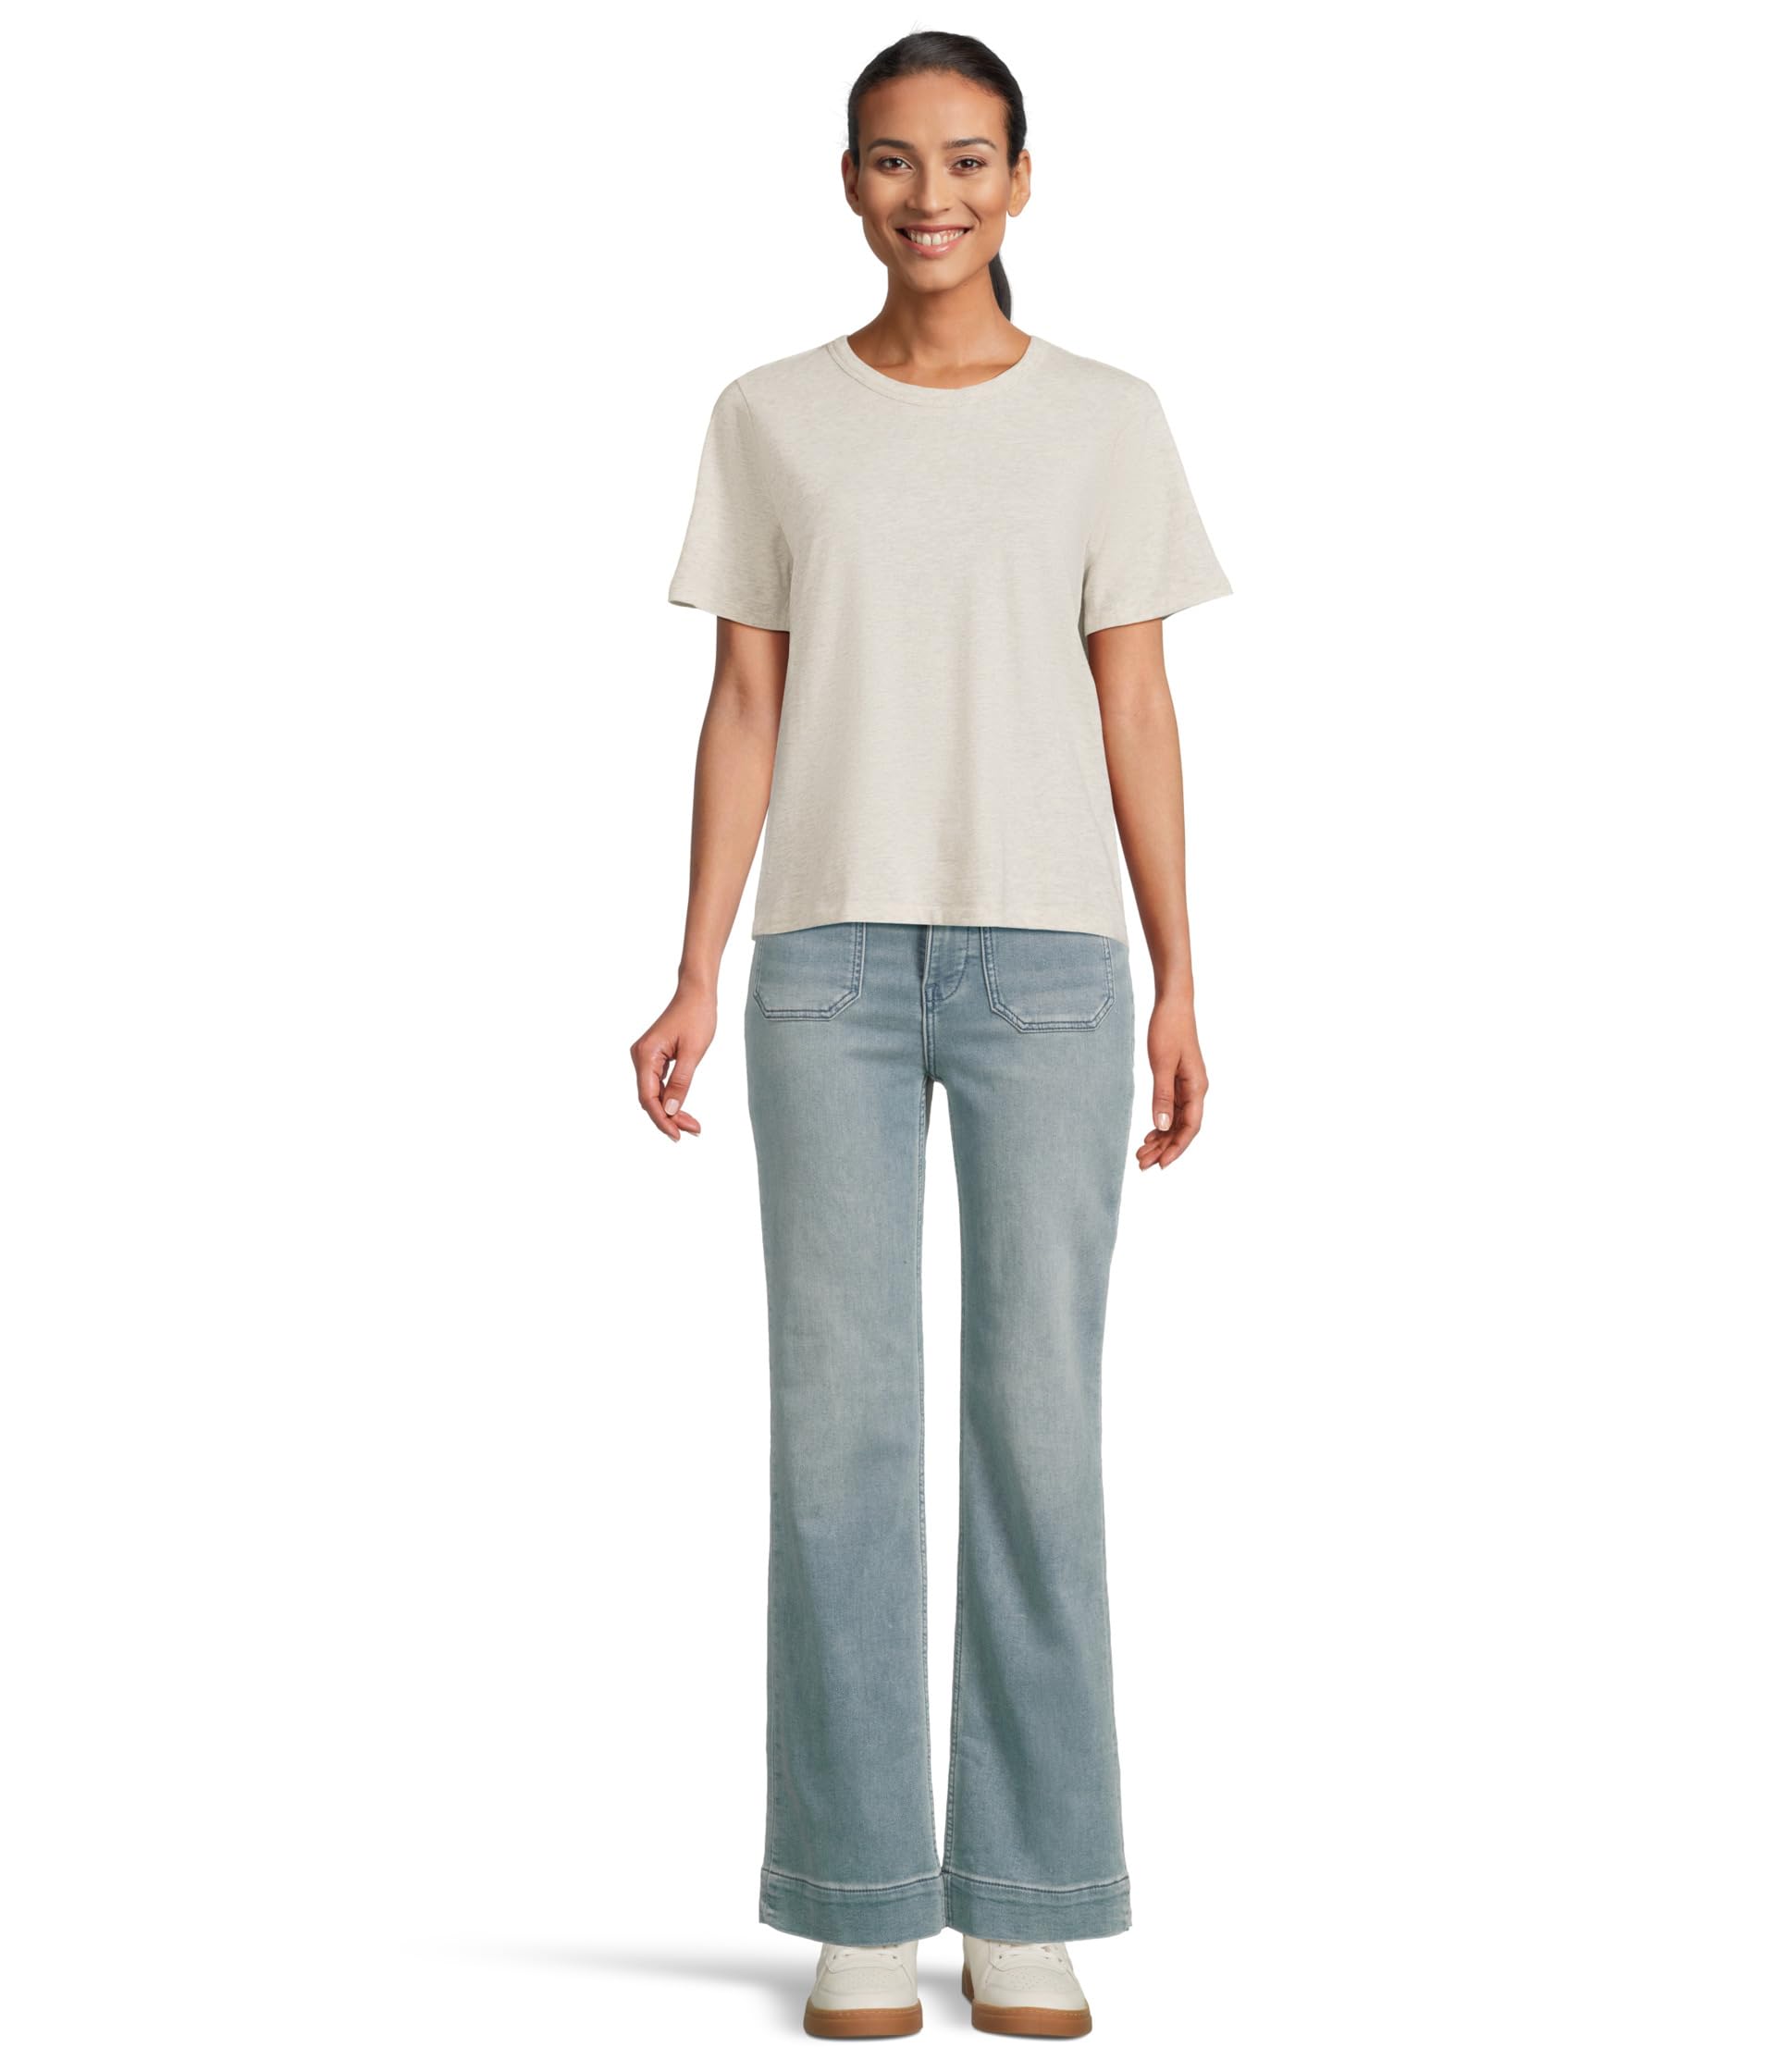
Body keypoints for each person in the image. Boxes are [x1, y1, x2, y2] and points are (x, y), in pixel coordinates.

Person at [632, 30, 1232, 2041]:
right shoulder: (770, 416)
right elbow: (744, 699)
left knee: (1038, 1430)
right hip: (824, 963)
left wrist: (1182, 972)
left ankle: (1033, 1893)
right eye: (895, 162)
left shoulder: (1108, 420)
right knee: (842, 1435)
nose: (933, 198)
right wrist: (694, 967)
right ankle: (862, 1894)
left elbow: (1136, 702)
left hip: (1053, 963)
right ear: (849, 182)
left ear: (1024, 180)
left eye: (970, 161)